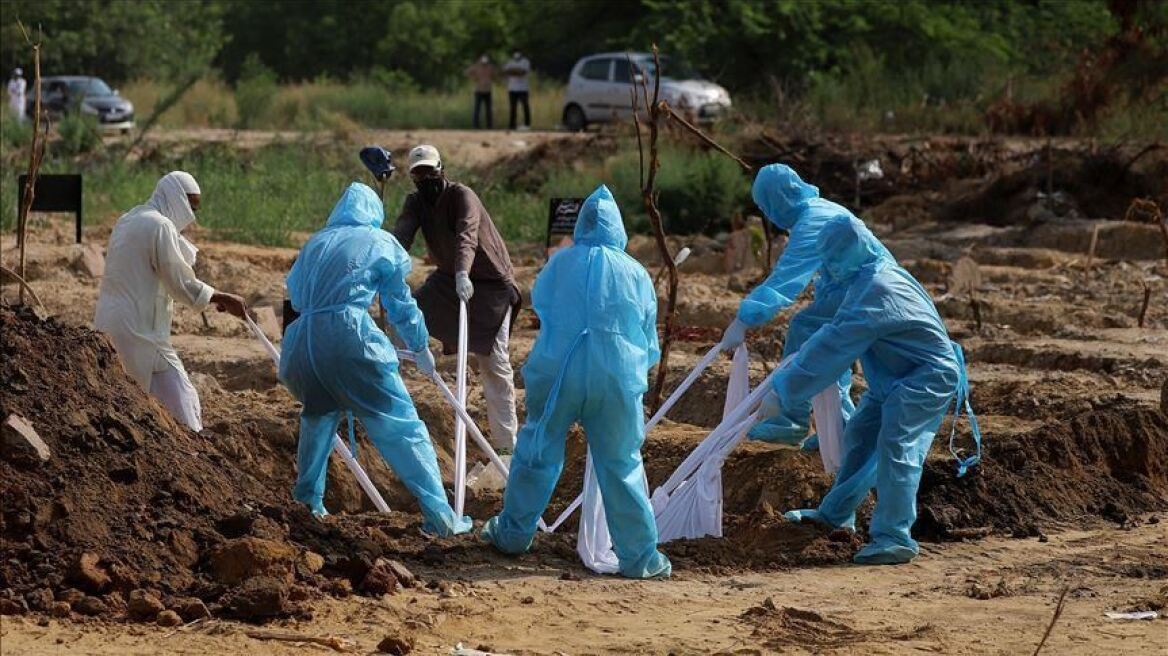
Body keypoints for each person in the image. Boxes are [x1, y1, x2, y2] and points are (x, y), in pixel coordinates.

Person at [482, 185, 672, 579]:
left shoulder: (559, 264)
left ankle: (514, 535)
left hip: (559, 371)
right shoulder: (636, 273)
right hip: (618, 375)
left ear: (583, 223)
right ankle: (639, 558)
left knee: (537, 451)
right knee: (622, 463)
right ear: (619, 228)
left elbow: (544, 309)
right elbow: (648, 341)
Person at [280, 182, 470, 535]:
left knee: (317, 419)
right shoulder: (380, 242)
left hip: (301, 345)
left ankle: (306, 506)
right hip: (348, 337)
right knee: (403, 427)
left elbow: (293, 297)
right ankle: (440, 517)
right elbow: (399, 303)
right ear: (374, 215)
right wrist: (419, 345)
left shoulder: (315, 242)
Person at [769, 215, 961, 565]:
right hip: (894, 375)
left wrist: (783, 390)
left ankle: (894, 536)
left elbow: (835, 341)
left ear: (848, 254)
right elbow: (832, 327)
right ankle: (835, 514)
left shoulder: (878, 288)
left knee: (896, 445)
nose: (827, 269)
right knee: (859, 434)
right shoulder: (867, 275)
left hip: (926, 377)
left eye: (832, 260)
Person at [720, 163, 893, 446]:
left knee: (805, 330)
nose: (766, 214)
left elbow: (786, 279)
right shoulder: (819, 209)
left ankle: (790, 418)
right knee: (830, 348)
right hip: (865, 288)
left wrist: (744, 319)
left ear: (780, 199)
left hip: (865, 289)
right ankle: (839, 428)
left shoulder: (812, 220)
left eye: (766, 206)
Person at [95, 171, 248, 432]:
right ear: (175, 197)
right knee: (180, 401)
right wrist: (222, 297)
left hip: (110, 323)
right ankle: (196, 453)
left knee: (136, 399)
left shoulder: (129, 218)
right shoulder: (159, 226)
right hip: (141, 330)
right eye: (191, 204)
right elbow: (180, 283)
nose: (192, 215)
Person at [392, 145, 520, 452]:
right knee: (400, 321)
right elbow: (402, 237)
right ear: (413, 178)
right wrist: (387, 265)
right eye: (419, 174)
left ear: (442, 169)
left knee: (494, 361)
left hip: (490, 285)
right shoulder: (415, 202)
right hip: (448, 281)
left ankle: (507, 447)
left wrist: (465, 272)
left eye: (430, 171)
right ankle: (390, 413)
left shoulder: (463, 195)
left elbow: (467, 235)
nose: (426, 178)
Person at [503, 50, 531, 130]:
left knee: (525, 106)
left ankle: (527, 124)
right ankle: (512, 125)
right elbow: (506, 71)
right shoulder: (510, 61)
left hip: (523, 89)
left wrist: (513, 71)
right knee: (512, 107)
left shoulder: (525, 62)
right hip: (512, 88)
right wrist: (516, 71)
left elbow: (522, 72)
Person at [466, 54, 495, 129]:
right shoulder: (476, 66)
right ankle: (475, 126)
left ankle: (489, 126)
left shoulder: (490, 67)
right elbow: (467, 72)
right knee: (477, 109)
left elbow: (494, 75)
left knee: (489, 110)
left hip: (488, 90)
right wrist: (474, 78)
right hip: (479, 90)